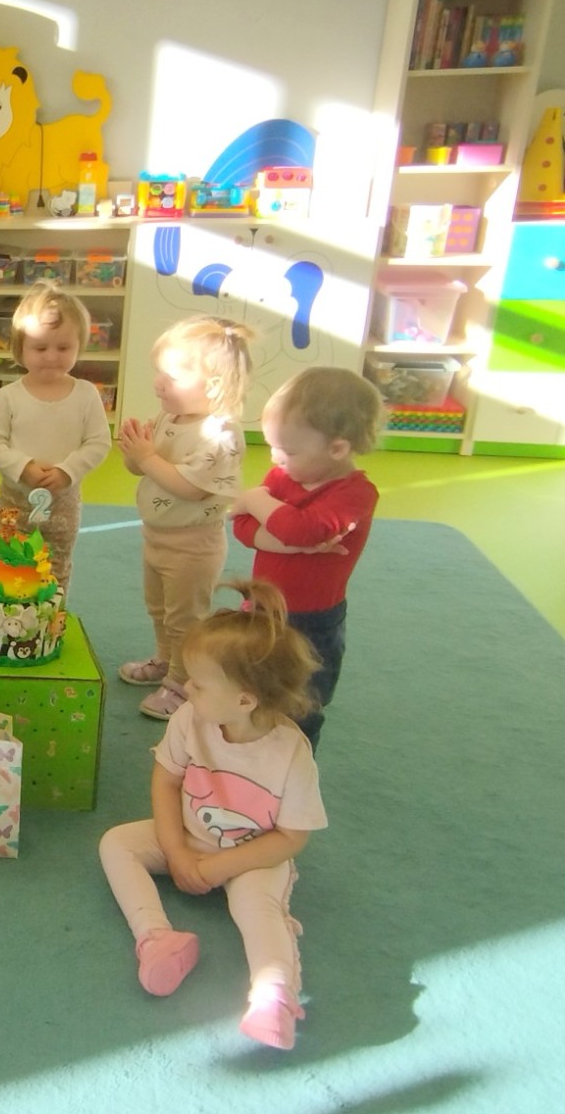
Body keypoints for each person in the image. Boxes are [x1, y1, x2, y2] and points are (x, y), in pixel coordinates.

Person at [98, 580, 326, 1052]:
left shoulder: (291, 753)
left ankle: (274, 994)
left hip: (253, 856)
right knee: (116, 844)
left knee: (257, 909)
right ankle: (156, 938)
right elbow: (166, 781)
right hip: (190, 834)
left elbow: (290, 838)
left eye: (199, 684)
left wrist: (218, 868)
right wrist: (177, 851)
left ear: (245, 699)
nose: (186, 688)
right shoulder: (190, 718)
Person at [231, 367, 384, 748]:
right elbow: (244, 529)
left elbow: (301, 529)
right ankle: (249, 753)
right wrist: (290, 542)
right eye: (272, 446)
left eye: (288, 450)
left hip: (311, 621)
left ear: (337, 449)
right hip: (261, 605)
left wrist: (254, 500)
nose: (274, 457)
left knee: (302, 703)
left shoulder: (355, 494)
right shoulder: (282, 477)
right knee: (250, 684)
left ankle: (294, 766)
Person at [116, 316, 255, 718]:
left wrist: (147, 457)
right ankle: (166, 661)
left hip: (193, 545)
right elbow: (143, 469)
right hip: (157, 536)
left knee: (186, 619)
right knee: (159, 609)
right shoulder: (170, 417)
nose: (159, 383)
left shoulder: (219, 434)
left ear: (213, 385)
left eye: (172, 376)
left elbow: (190, 488)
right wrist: (134, 452)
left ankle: (182, 683)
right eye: (159, 372)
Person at [0, 281, 111, 589]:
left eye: (63, 348)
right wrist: (22, 466)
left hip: (64, 501)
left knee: (57, 566)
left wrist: (68, 471)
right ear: (20, 349)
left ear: (79, 346)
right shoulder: (9, 396)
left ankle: (53, 614)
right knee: (12, 560)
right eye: (40, 348)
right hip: (15, 499)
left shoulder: (86, 394)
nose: (52, 356)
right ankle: (15, 614)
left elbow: (98, 442)